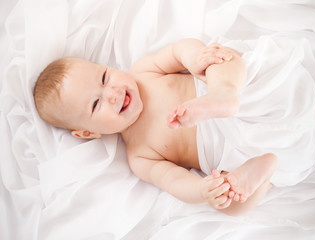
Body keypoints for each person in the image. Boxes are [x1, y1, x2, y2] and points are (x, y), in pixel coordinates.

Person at [33, 38, 277, 215]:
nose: (113, 94)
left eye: (105, 77)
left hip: (228, 92)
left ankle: (221, 95)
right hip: (234, 150)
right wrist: (203, 190)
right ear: (88, 132)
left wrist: (194, 59)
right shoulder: (139, 156)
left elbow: (177, 50)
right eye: (96, 104)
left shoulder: (142, 73)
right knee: (231, 204)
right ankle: (258, 175)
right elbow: (173, 180)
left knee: (224, 58)